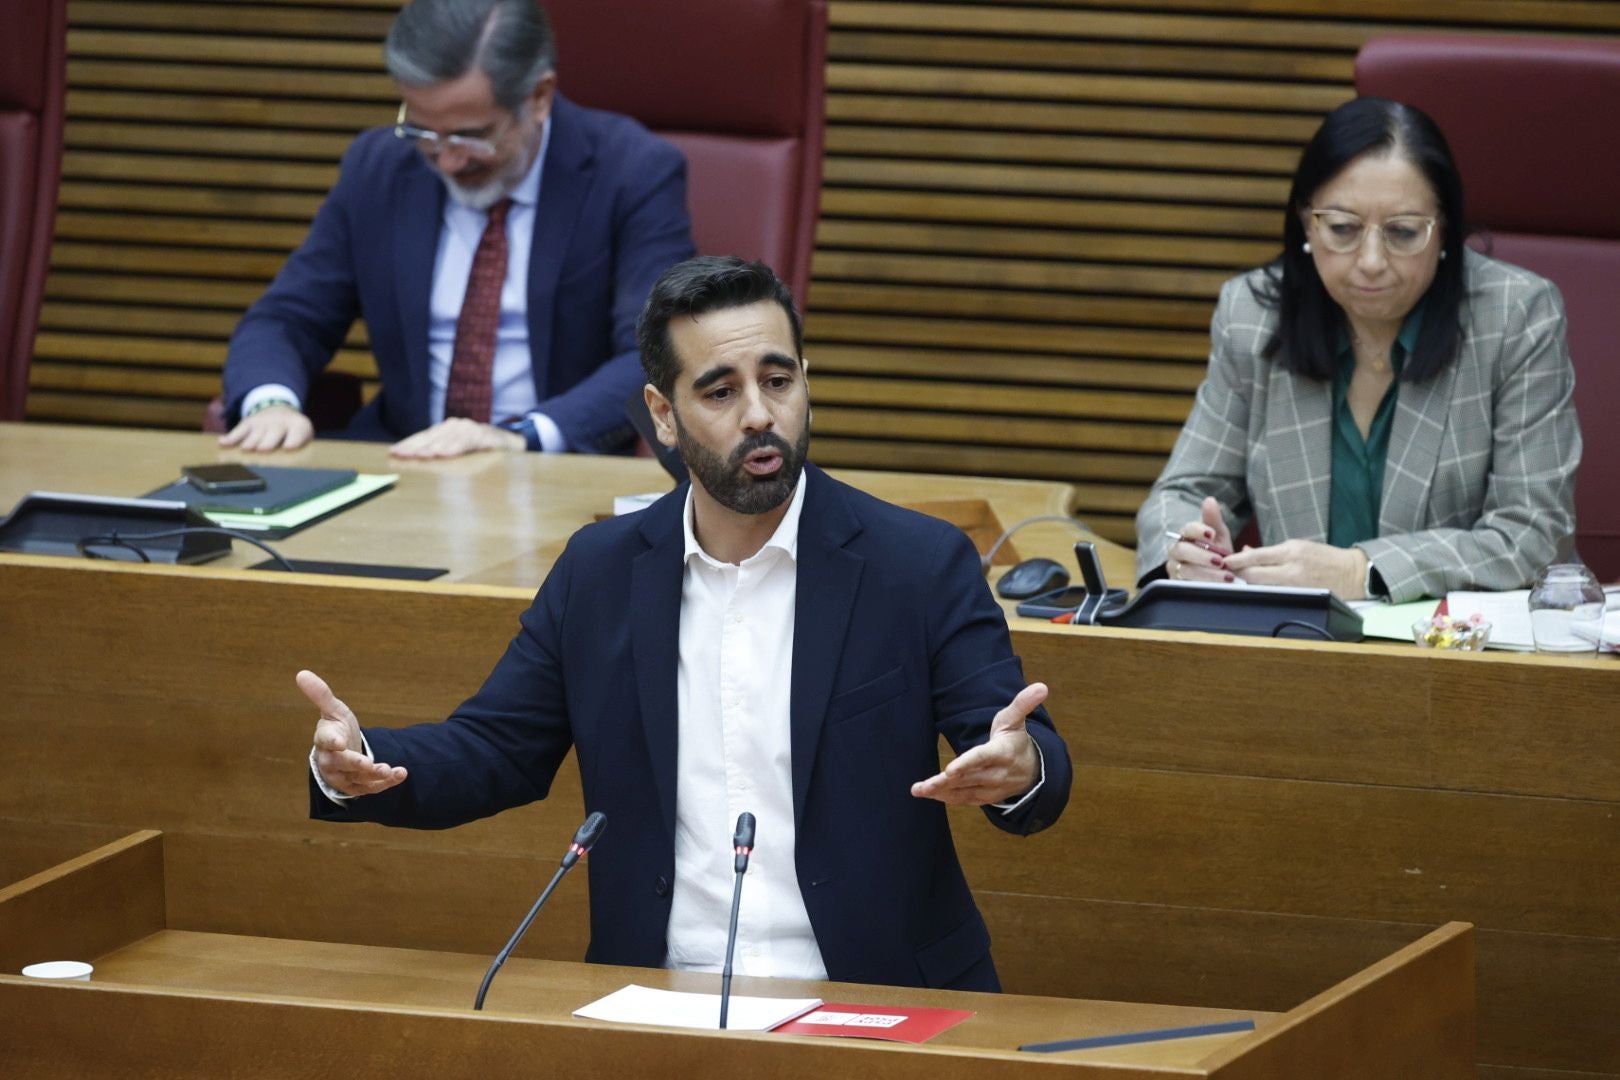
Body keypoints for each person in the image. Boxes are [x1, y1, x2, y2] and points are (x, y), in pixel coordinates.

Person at [302, 256, 1072, 991]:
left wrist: (1022, 768)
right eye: (720, 392)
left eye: (778, 380)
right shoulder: (601, 573)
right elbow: (498, 747)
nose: (761, 415)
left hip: (880, 994)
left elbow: (1011, 746)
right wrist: (362, 761)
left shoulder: (916, 563)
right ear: (664, 417)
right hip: (659, 996)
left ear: (809, 384)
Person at [1135, 98, 1580, 603]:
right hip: (1297, 652)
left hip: (1459, 660)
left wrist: (1361, 570)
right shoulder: (1253, 316)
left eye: (1403, 232)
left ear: (1444, 231)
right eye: (1342, 229)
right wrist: (1186, 549)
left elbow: (1535, 535)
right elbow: (1179, 495)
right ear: (1307, 224)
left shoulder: (1515, 317)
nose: (1370, 261)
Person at [220, 0, 695, 459]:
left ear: (539, 97)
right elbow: (287, 318)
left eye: (471, 135)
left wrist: (521, 436)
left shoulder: (631, 171)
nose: (447, 160)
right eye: (424, 131)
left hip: (555, 467)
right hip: (405, 461)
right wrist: (270, 404)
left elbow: (656, 354)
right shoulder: (379, 168)